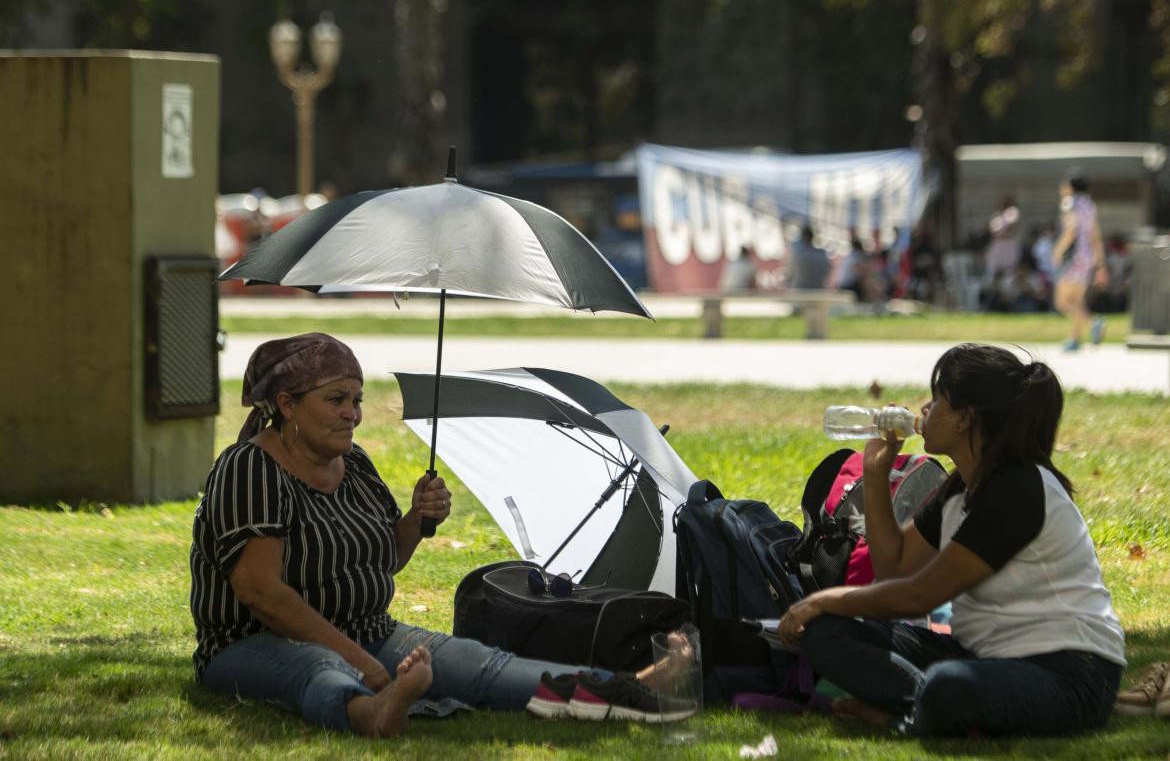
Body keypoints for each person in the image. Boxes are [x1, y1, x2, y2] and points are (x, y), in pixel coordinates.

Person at [189, 333, 679, 737]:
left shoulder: (353, 463)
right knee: (320, 670)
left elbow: (383, 560)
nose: (352, 414)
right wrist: (363, 663)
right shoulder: (249, 468)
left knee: (478, 663)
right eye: (336, 400)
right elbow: (261, 591)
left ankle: (620, 689)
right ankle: (373, 712)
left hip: (368, 631)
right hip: (251, 642)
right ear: (286, 404)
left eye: (356, 401)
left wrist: (416, 522)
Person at [778, 343, 1125, 737]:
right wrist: (876, 475)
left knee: (948, 684)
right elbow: (893, 568)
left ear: (965, 419)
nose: (924, 410)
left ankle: (911, 717)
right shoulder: (962, 488)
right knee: (827, 633)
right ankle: (945, 714)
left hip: (1070, 674)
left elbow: (918, 596)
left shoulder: (1016, 488)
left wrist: (820, 598)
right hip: (984, 658)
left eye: (938, 399)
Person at [1050, 170, 1108, 350]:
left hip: (1073, 256)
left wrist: (1058, 251)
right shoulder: (1090, 205)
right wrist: (1100, 262)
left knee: (1062, 301)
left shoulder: (1069, 202)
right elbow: (1095, 235)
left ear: (1070, 187)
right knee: (1076, 300)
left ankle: (1092, 322)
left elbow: (1071, 229)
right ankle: (1075, 339)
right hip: (1087, 257)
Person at [788, 225, 830, 289]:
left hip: (800, 291)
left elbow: (790, 274)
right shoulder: (821, 254)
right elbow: (827, 271)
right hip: (818, 290)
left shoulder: (798, 255)